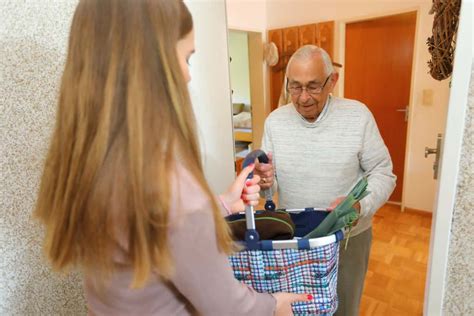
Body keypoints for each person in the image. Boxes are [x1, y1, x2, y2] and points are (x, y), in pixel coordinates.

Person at [34, 1, 310, 315]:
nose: (188, 76)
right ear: (150, 64)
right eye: (186, 57)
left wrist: (219, 205)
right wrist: (273, 304)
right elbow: (228, 307)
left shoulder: (88, 165)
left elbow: (155, 230)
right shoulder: (170, 187)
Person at [255, 45, 396, 316]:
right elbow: (270, 187)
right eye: (294, 87)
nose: (303, 98)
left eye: (313, 86)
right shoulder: (275, 122)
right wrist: (265, 183)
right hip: (293, 238)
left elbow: (383, 172)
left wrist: (358, 206)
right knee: (295, 309)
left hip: (347, 240)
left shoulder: (357, 116)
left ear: (332, 81)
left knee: (343, 309)